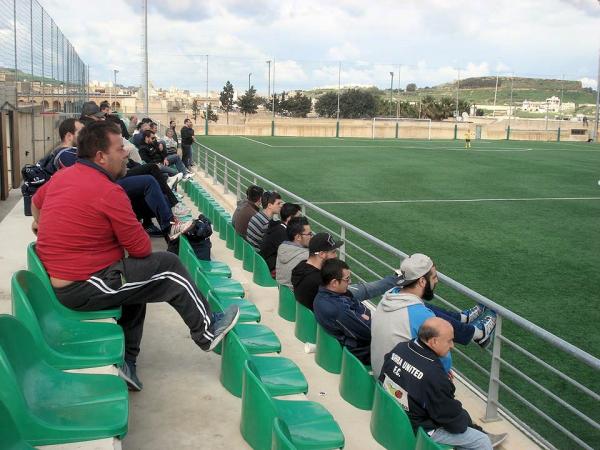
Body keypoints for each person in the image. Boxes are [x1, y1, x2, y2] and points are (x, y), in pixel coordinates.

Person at [31, 121, 240, 391]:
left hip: (73, 281)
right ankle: (207, 330)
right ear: (100, 156)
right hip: (82, 285)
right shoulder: (108, 191)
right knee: (168, 266)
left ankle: (127, 362)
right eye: (120, 149)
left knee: (138, 284)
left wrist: (40, 223)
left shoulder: (63, 176)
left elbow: (37, 203)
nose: (126, 153)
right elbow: (142, 248)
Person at [379, 318, 507, 450]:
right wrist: (470, 424)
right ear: (433, 341)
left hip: (391, 414)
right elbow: (453, 421)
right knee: (481, 440)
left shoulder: (400, 348)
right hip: (416, 427)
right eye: (449, 341)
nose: (452, 345)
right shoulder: (434, 374)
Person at [370, 253, 497, 378]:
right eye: (434, 277)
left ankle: (463, 319)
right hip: (397, 384)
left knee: (424, 308)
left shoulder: (390, 295)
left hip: (381, 372)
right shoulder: (421, 316)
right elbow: (445, 363)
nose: (437, 280)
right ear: (421, 281)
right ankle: (478, 333)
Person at [313, 258, 399, 364]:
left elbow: (362, 309)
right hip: (361, 352)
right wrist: (365, 317)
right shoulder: (338, 309)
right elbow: (368, 332)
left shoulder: (324, 294)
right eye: (347, 279)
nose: (350, 282)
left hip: (350, 344)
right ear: (334, 283)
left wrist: (363, 315)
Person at [291, 232, 342, 308]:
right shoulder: (319, 280)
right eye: (333, 252)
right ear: (321, 254)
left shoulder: (300, 266)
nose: (336, 255)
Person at [259, 202, 302, 272]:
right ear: (289, 218)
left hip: (265, 263)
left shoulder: (279, 227)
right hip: (270, 268)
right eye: (298, 217)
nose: (300, 220)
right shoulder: (282, 233)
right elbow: (290, 257)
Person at [275, 216, 311, 288]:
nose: (311, 237)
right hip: (295, 297)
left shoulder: (282, 247)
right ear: (298, 237)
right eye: (309, 234)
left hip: (282, 293)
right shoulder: (307, 256)